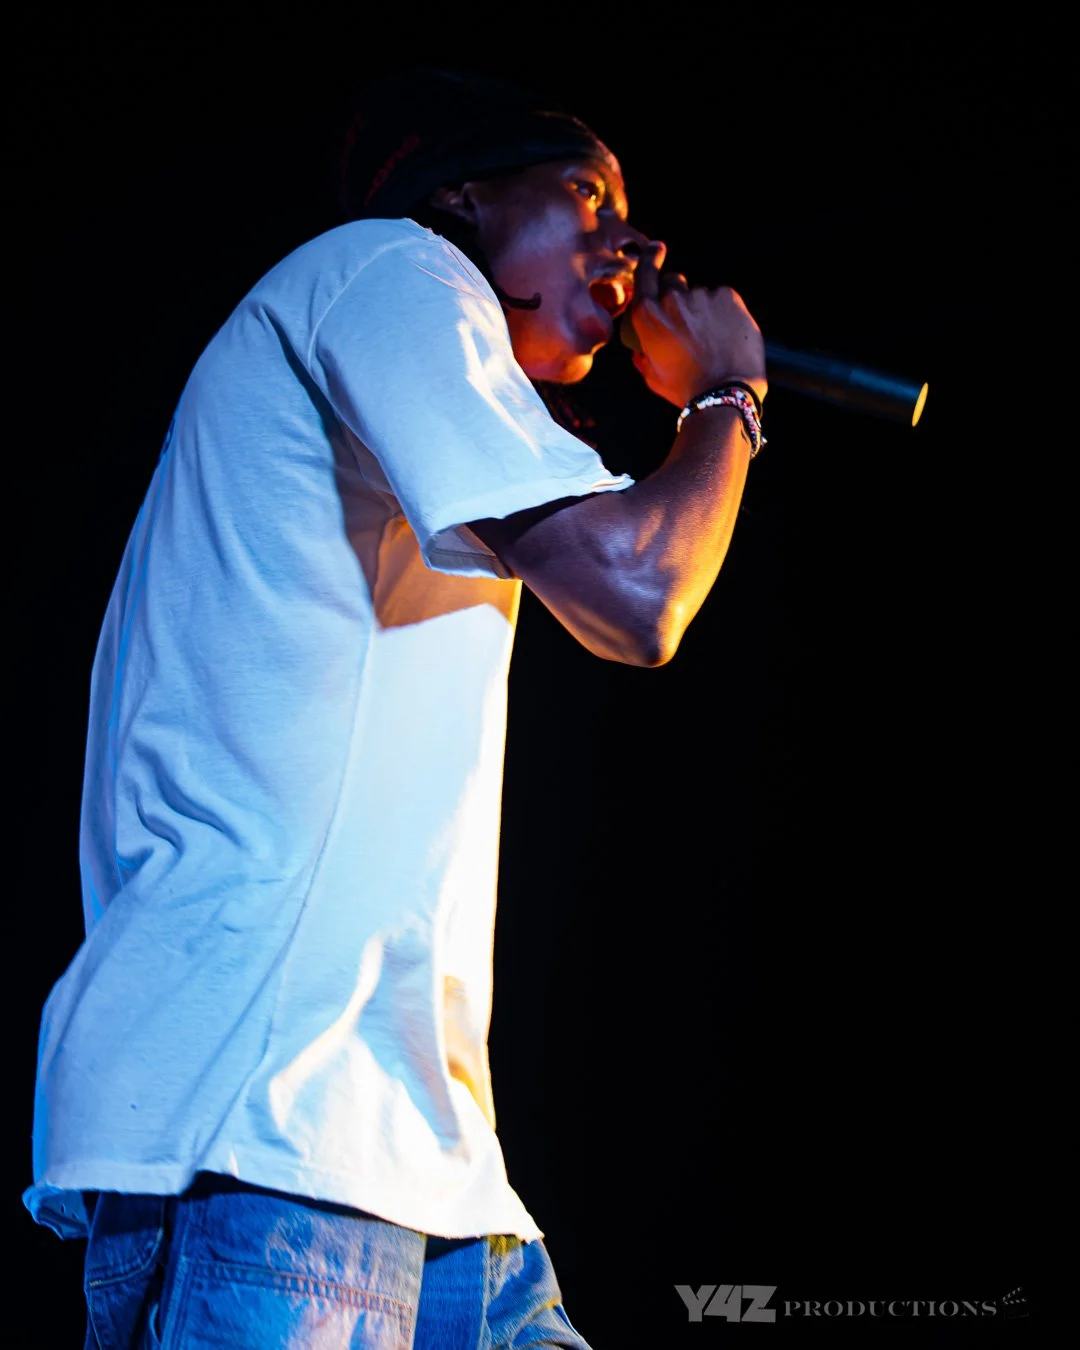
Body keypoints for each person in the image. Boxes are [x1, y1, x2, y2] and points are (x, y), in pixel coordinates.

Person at [23, 66, 768, 1348]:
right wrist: (723, 397)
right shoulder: (385, 271)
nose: (636, 241)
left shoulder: (445, 413)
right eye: (587, 194)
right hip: (269, 1129)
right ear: (465, 198)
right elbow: (640, 588)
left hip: (426, 1172)